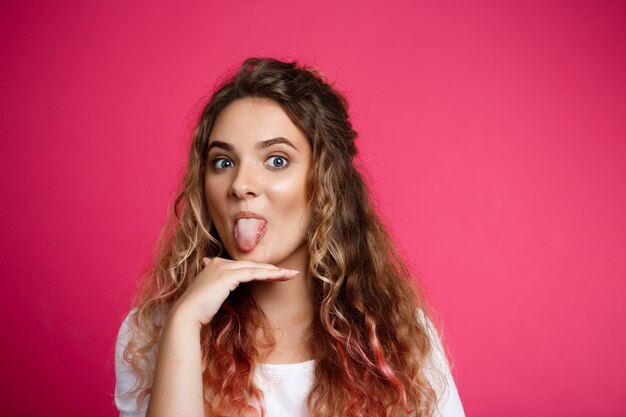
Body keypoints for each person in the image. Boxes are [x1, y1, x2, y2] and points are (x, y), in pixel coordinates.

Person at [114, 57, 466, 417]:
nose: (240, 185)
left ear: (325, 183)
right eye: (223, 162)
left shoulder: (397, 338)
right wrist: (185, 323)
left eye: (276, 160)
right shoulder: (153, 334)